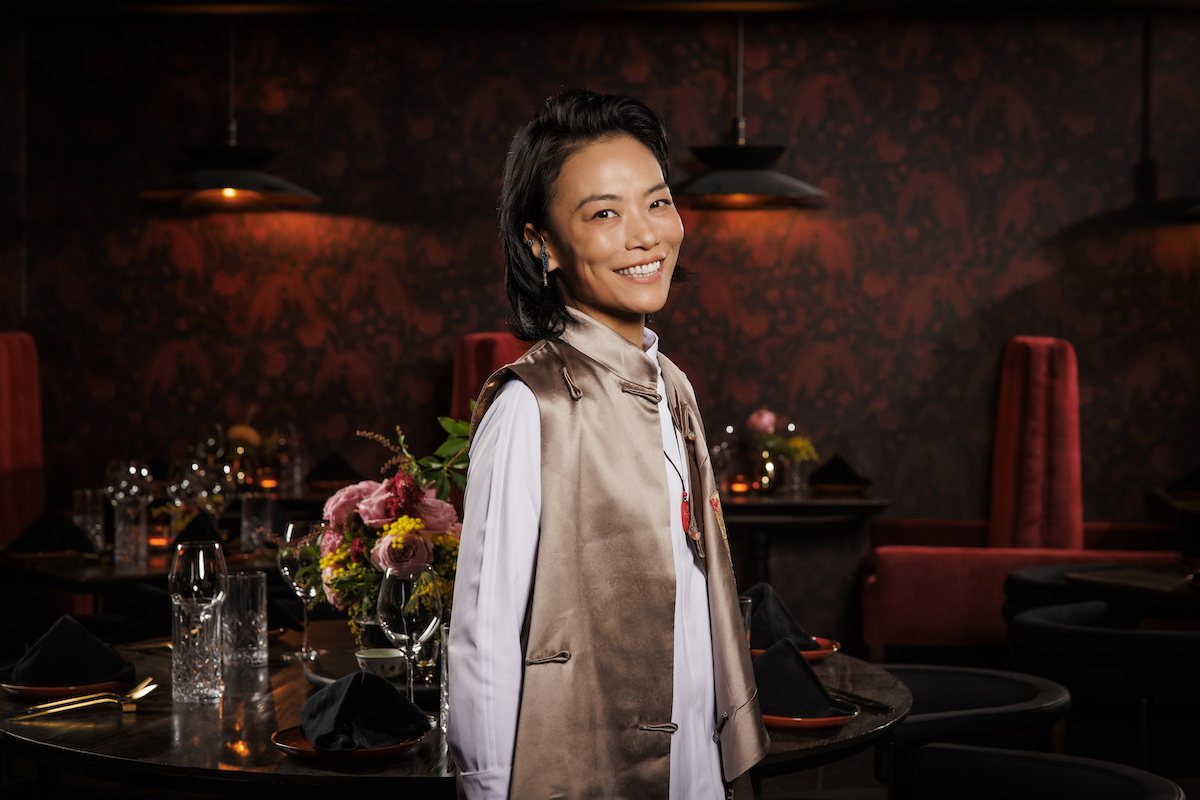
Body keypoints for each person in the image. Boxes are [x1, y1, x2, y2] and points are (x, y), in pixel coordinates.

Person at [448, 89, 769, 800]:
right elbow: (484, 641)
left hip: (693, 754)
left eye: (657, 203)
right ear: (542, 244)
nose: (645, 235)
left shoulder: (673, 386)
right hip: (586, 767)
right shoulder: (531, 406)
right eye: (603, 213)